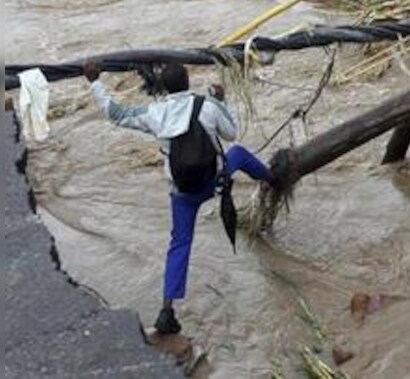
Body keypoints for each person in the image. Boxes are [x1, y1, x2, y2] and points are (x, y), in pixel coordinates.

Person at [83, 60, 275, 336]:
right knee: (239, 154)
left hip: (182, 193)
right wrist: (220, 100)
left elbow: (116, 113)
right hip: (214, 183)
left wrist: (94, 82)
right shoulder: (207, 106)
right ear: (188, 80)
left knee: (180, 244)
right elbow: (231, 133)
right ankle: (273, 179)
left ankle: (167, 310)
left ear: (163, 87)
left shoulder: (156, 113)